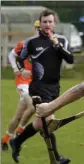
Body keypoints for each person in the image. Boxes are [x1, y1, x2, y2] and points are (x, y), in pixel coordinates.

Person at [10, 9, 74, 164]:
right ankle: (57, 158)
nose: (47, 24)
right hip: (38, 87)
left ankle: (16, 141)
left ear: (54, 23)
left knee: (40, 124)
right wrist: (21, 69)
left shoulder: (61, 40)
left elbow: (70, 59)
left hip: (54, 88)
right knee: (48, 122)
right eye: (44, 22)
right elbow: (19, 57)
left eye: (50, 21)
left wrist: (57, 45)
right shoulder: (32, 42)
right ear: (40, 23)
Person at [1, 20, 41, 151]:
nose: (40, 30)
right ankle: (20, 132)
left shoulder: (45, 47)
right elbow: (12, 55)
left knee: (18, 115)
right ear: (34, 29)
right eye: (38, 28)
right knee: (33, 105)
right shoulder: (25, 43)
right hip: (23, 83)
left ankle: (5, 139)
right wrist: (15, 68)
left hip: (34, 83)